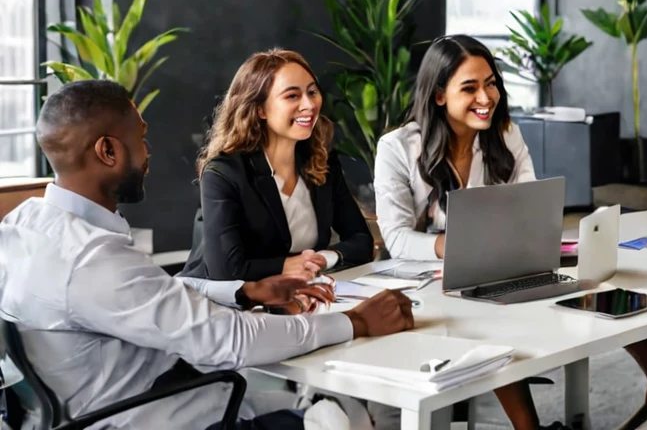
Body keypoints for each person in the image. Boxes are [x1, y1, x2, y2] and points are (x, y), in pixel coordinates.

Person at [0, 80, 413, 430]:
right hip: (161, 415)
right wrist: (354, 322)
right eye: (140, 140)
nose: (148, 155)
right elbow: (227, 340)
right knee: (348, 415)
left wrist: (243, 291)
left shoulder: (25, 227)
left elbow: (142, 298)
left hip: (99, 407)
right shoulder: (91, 260)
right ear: (108, 152)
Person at [374, 35, 647, 429]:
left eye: (491, 83)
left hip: (504, 270)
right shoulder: (398, 148)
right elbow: (398, 240)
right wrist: (458, 246)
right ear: (439, 96)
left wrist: (518, 243)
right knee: (493, 329)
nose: (486, 97)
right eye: (469, 88)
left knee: (600, 287)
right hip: (427, 286)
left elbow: (531, 211)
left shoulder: (504, 135)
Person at [180, 49, 373, 282]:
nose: (309, 104)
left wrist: (323, 258)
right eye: (292, 96)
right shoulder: (223, 173)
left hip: (294, 297)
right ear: (260, 109)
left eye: (312, 92)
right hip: (222, 306)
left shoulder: (322, 160)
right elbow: (226, 271)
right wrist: (287, 266)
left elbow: (362, 240)